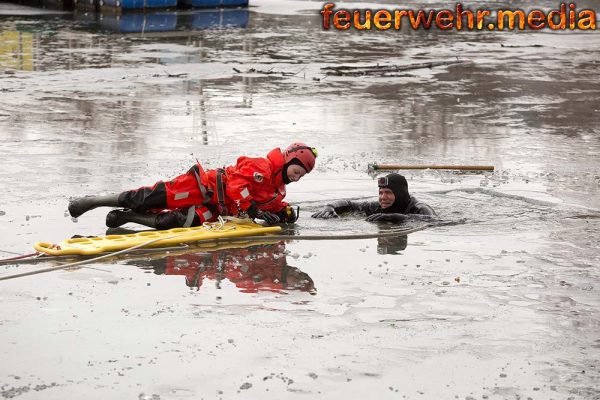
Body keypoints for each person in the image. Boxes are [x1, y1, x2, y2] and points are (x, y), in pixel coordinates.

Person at [68, 142, 318, 229]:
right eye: (297, 171)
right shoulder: (261, 166)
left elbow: (272, 205)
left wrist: (283, 213)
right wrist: (251, 209)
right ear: (287, 160)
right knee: (147, 198)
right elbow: (236, 187)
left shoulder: (278, 191)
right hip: (205, 186)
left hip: (216, 210)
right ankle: (92, 201)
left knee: (173, 222)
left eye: (301, 176)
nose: (296, 177)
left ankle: (126, 218)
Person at [311, 173, 435, 223]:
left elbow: (431, 221)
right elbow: (349, 204)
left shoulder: (420, 209)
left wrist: (392, 217)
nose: (383, 197)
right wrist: (330, 206)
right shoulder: (377, 207)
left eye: (388, 192)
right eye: (380, 192)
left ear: (400, 194)